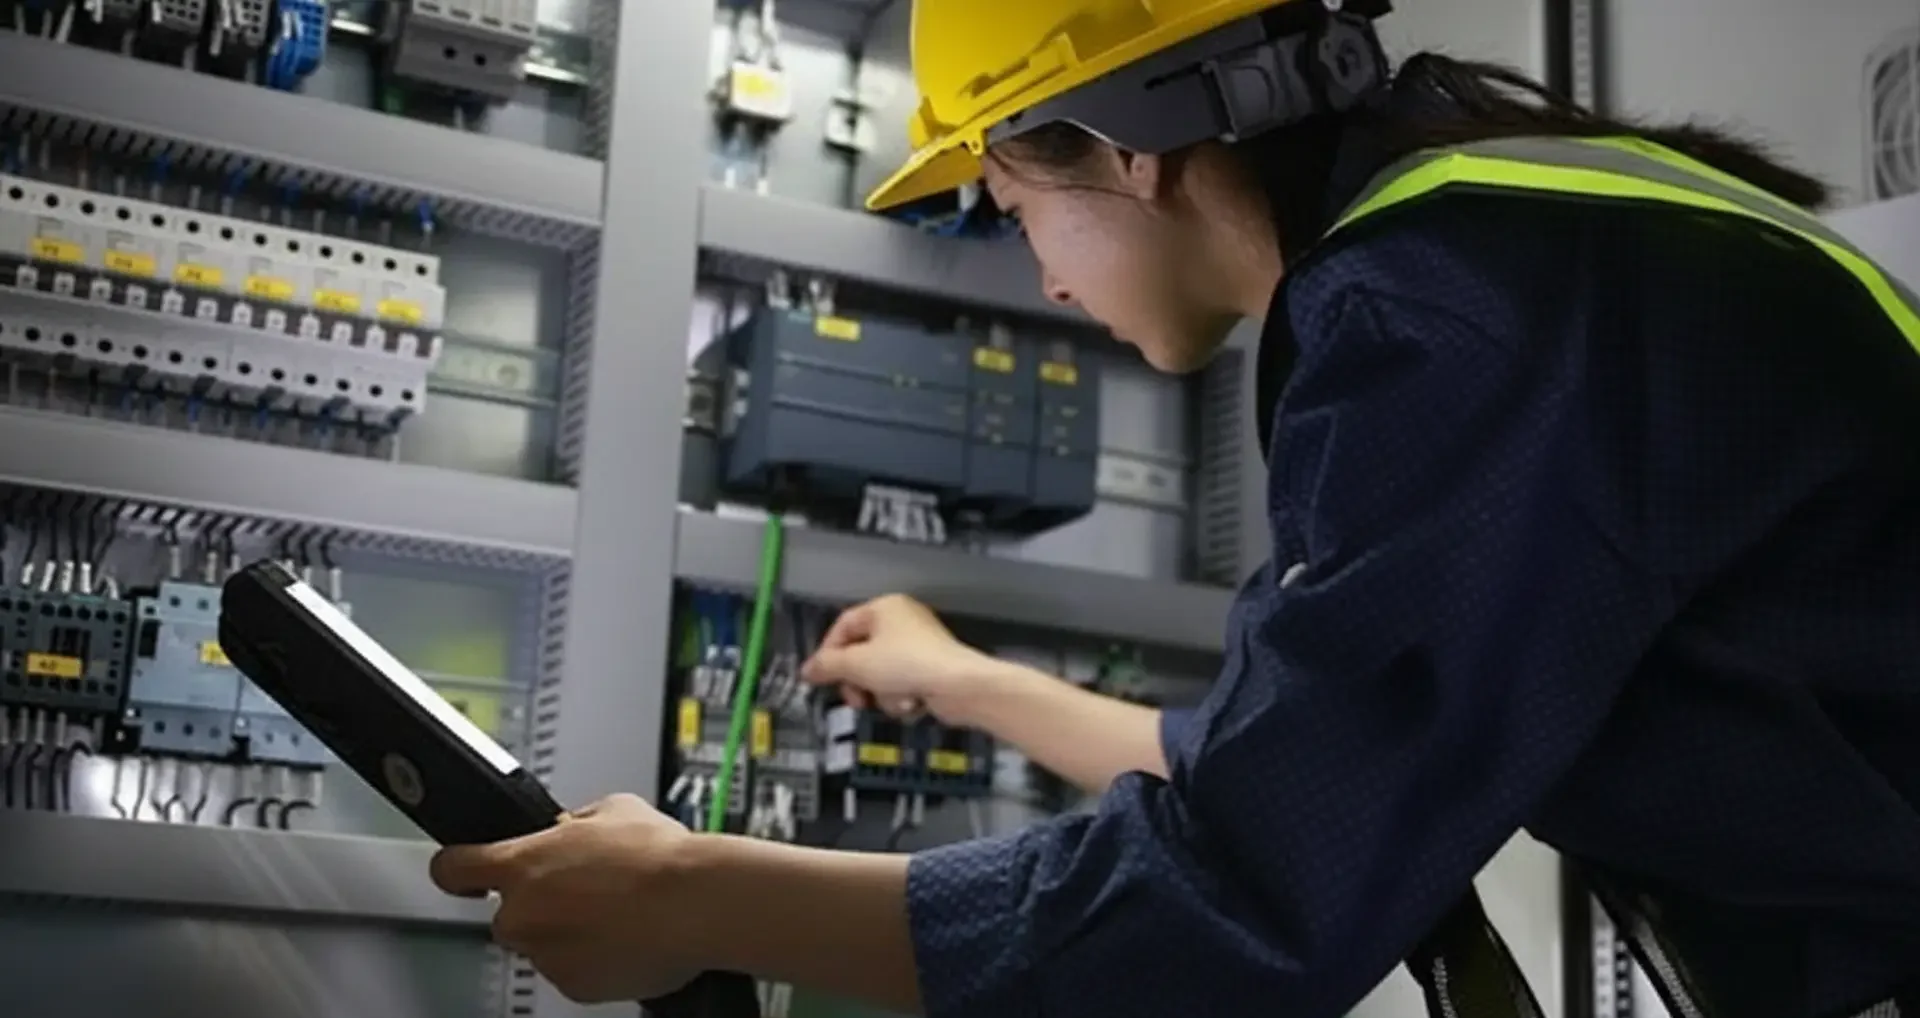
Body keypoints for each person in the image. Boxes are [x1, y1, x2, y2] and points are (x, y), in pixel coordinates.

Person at [428, 1, 1920, 1016]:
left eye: (1014, 209)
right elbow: (1298, 771)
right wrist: (969, 683)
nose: (1046, 278)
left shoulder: (1441, 317)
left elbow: (1248, 887)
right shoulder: (1524, 230)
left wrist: (694, 894)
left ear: (1125, 145)